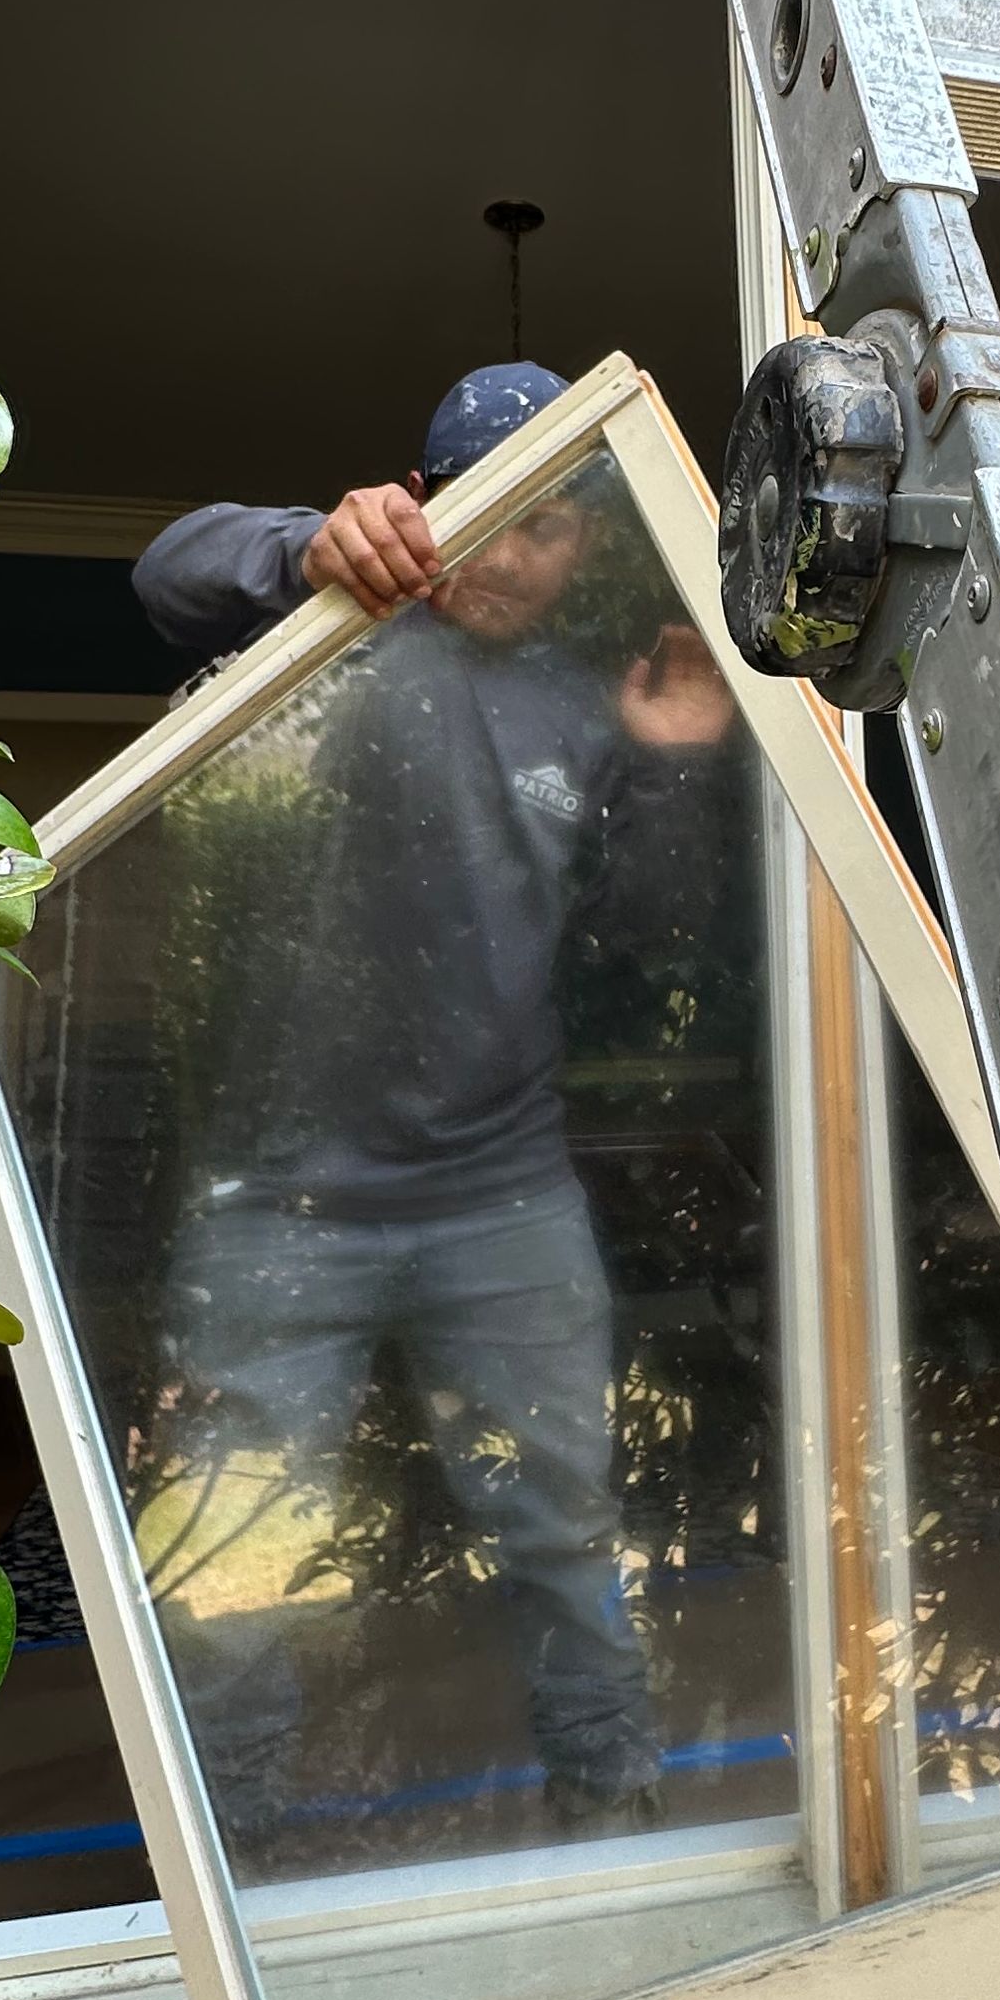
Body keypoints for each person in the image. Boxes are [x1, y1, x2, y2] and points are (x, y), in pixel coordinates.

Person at [128, 363, 735, 1848]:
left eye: (549, 527)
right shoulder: (333, 633)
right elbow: (166, 572)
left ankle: (611, 1798)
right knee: (234, 1545)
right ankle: (234, 1851)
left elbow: (649, 947)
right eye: (485, 515)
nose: (511, 557)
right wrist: (305, 546)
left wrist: (672, 770)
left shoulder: (583, 711)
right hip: (281, 1209)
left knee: (563, 1525)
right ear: (424, 502)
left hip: (501, 1197)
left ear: (586, 545)